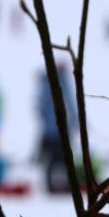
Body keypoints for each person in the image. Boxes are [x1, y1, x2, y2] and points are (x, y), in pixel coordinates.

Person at [36, 63, 78, 194]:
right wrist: (75, 121)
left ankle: (50, 186)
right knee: (65, 159)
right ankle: (67, 186)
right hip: (61, 129)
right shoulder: (63, 82)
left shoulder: (45, 83)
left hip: (48, 130)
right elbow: (70, 103)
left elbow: (40, 106)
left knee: (50, 160)